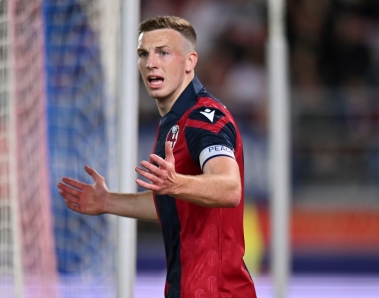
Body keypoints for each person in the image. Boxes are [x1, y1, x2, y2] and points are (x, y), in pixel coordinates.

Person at [57, 15, 257, 298]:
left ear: (190, 61)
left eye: (163, 52)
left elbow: (229, 187)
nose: (151, 62)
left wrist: (175, 184)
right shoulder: (174, 121)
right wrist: (108, 200)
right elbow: (175, 207)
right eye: (143, 53)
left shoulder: (203, 118)